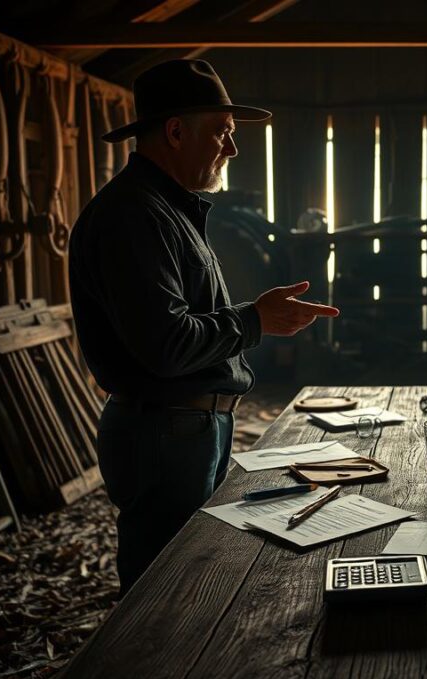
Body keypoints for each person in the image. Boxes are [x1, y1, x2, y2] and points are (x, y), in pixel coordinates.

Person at [69, 59, 339, 594]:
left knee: (190, 581)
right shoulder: (133, 215)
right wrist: (256, 318)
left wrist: (254, 314)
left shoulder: (165, 209)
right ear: (175, 131)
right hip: (164, 434)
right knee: (165, 596)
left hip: (185, 430)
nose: (233, 149)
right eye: (223, 132)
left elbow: (176, 320)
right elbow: (166, 345)